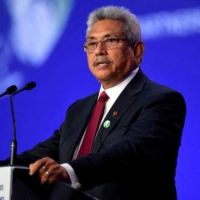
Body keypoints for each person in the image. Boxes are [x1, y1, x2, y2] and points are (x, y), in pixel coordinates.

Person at [0, 6, 186, 200]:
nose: (99, 51)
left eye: (110, 41)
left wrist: (69, 171)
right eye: (92, 43)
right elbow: (39, 155)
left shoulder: (162, 100)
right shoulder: (79, 109)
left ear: (137, 50)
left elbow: (129, 154)